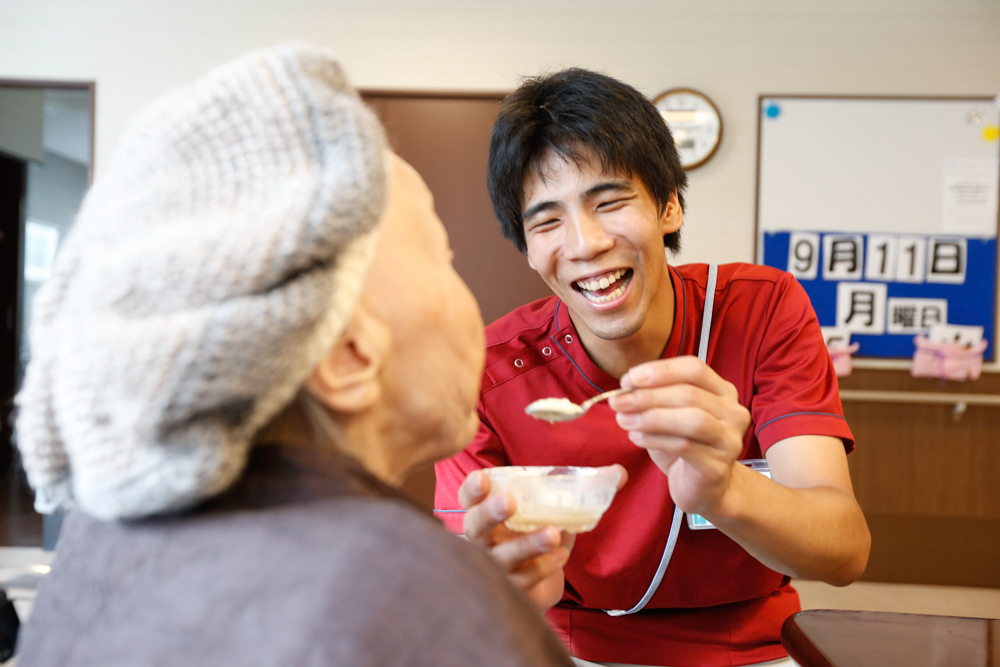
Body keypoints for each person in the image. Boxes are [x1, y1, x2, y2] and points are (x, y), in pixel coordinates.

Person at [13, 44, 573, 667]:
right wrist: (464, 611)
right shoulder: (403, 591)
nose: (463, 287)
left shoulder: (100, 543)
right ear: (348, 357)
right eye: (441, 255)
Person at [434, 68, 871, 667]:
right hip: (569, 646)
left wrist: (723, 486)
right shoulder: (485, 373)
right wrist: (507, 581)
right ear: (530, 249)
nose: (584, 243)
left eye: (609, 202)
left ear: (668, 207)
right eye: (547, 220)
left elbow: (843, 553)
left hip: (752, 648)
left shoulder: (759, 310)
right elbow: (469, 581)